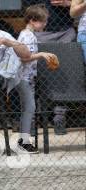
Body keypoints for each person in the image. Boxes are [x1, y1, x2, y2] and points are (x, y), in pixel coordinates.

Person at [26, 0, 75, 135]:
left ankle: (59, 117)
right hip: (40, 33)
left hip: (66, 32)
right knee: (36, 75)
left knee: (63, 73)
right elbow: (28, 9)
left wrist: (68, 2)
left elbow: (78, 4)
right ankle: (31, 121)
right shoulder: (26, 35)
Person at [16, 4, 58, 153]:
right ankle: (23, 142)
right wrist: (41, 55)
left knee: (28, 108)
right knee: (30, 108)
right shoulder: (27, 36)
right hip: (24, 78)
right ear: (33, 20)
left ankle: (24, 140)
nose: (45, 24)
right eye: (43, 21)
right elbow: (24, 57)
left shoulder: (28, 35)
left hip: (27, 78)